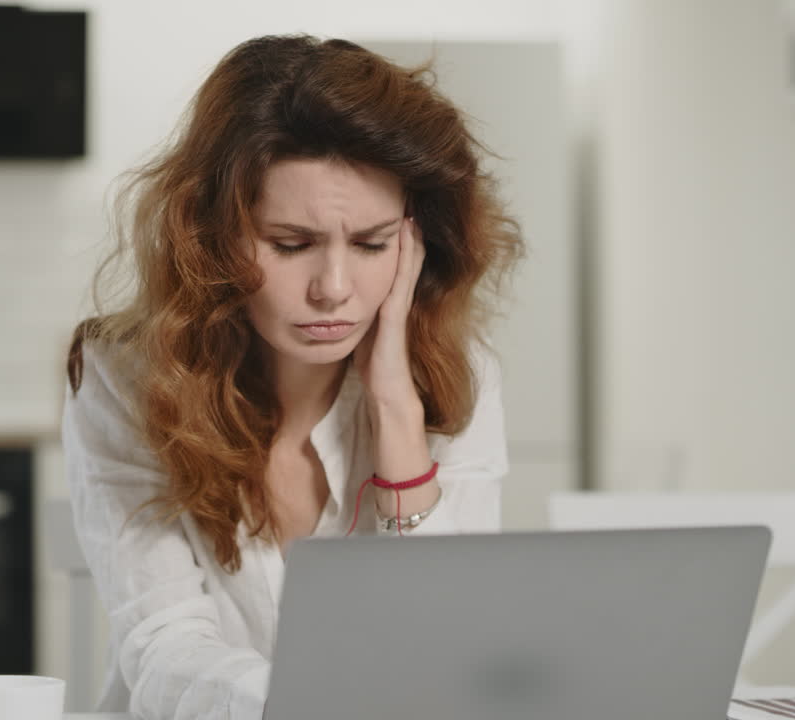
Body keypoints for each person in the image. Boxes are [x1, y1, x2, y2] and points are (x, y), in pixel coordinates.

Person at [61, 33, 524, 719]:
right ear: (213, 238)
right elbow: (165, 653)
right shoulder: (125, 382)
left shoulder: (457, 377)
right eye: (290, 245)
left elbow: (451, 652)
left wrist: (398, 418)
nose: (334, 289)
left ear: (415, 242)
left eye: (371, 245)